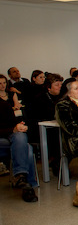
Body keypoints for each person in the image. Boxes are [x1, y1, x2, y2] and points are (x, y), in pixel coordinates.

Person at [0, 74, 38, 202]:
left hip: (12, 135)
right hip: (2, 137)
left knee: (22, 139)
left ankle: (21, 178)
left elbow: (15, 120)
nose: (2, 85)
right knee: (25, 147)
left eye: (4, 83)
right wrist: (13, 129)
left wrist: (20, 126)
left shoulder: (9, 100)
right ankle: (28, 185)